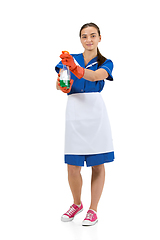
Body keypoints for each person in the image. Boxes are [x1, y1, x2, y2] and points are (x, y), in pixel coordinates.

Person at [55, 23, 114, 226]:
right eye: (84, 36)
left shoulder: (105, 62)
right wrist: (63, 84)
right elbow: (59, 82)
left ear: (99, 38)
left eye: (92, 35)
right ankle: (77, 204)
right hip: (74, 112)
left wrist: (76, 69)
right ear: (80, 39)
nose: (88, 39)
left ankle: (93, 209)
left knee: (98, 164)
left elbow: (97, 76)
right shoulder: (70, 59)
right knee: (73, 166)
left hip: (95, 113)